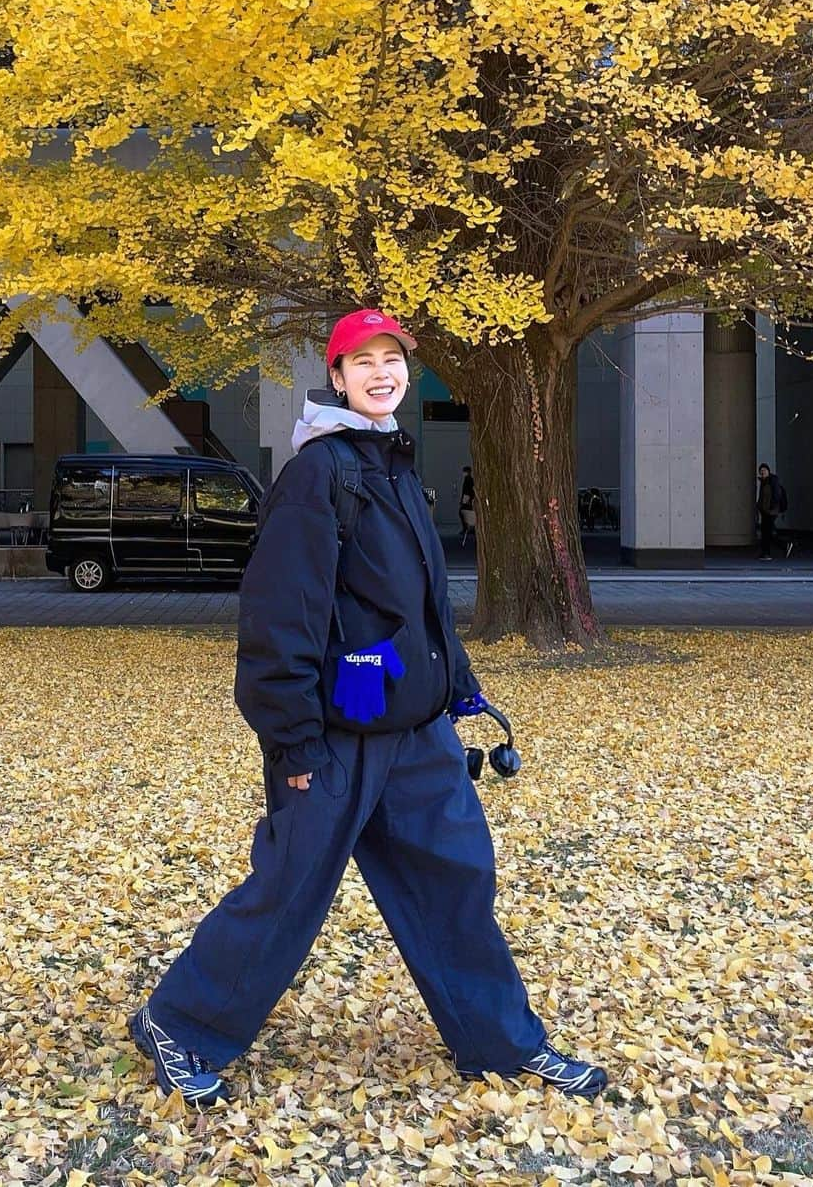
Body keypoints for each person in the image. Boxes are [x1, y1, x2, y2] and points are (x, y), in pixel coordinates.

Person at [127, 309, 608, 1106]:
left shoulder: (393, 464)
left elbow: (420, 604)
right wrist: (295, 748)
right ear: (339, 375)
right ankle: (178, 1021)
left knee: (456, 882)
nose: (382, 372)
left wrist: (455, 687)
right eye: (364, 361)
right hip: (335, 742)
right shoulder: (320, 474)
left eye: (394, 359)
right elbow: (280, 619)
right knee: (289, 892)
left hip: (415, 735)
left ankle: (502, 1042)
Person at [757, 463, 790, 560]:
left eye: (764, 470)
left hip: (771, 511)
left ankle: (779, 547)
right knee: (766, 532)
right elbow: (762, 497)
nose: (762, 472)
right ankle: (767, 552)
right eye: (761, 471)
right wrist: (759, 507)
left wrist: (771, 507)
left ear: (768, 471)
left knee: (767, 532)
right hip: (765, 511)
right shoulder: (764, 482)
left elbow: (776, 495)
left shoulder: (773, 481)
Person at [458, 466, 476, 544]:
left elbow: (467, 491)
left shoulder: (468, 480)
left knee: (462, 512)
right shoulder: (470, 480)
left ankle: (466, 528)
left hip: (467, 499)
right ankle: (468, 528)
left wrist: (464, 500)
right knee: (465, 512)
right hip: (467, 499)